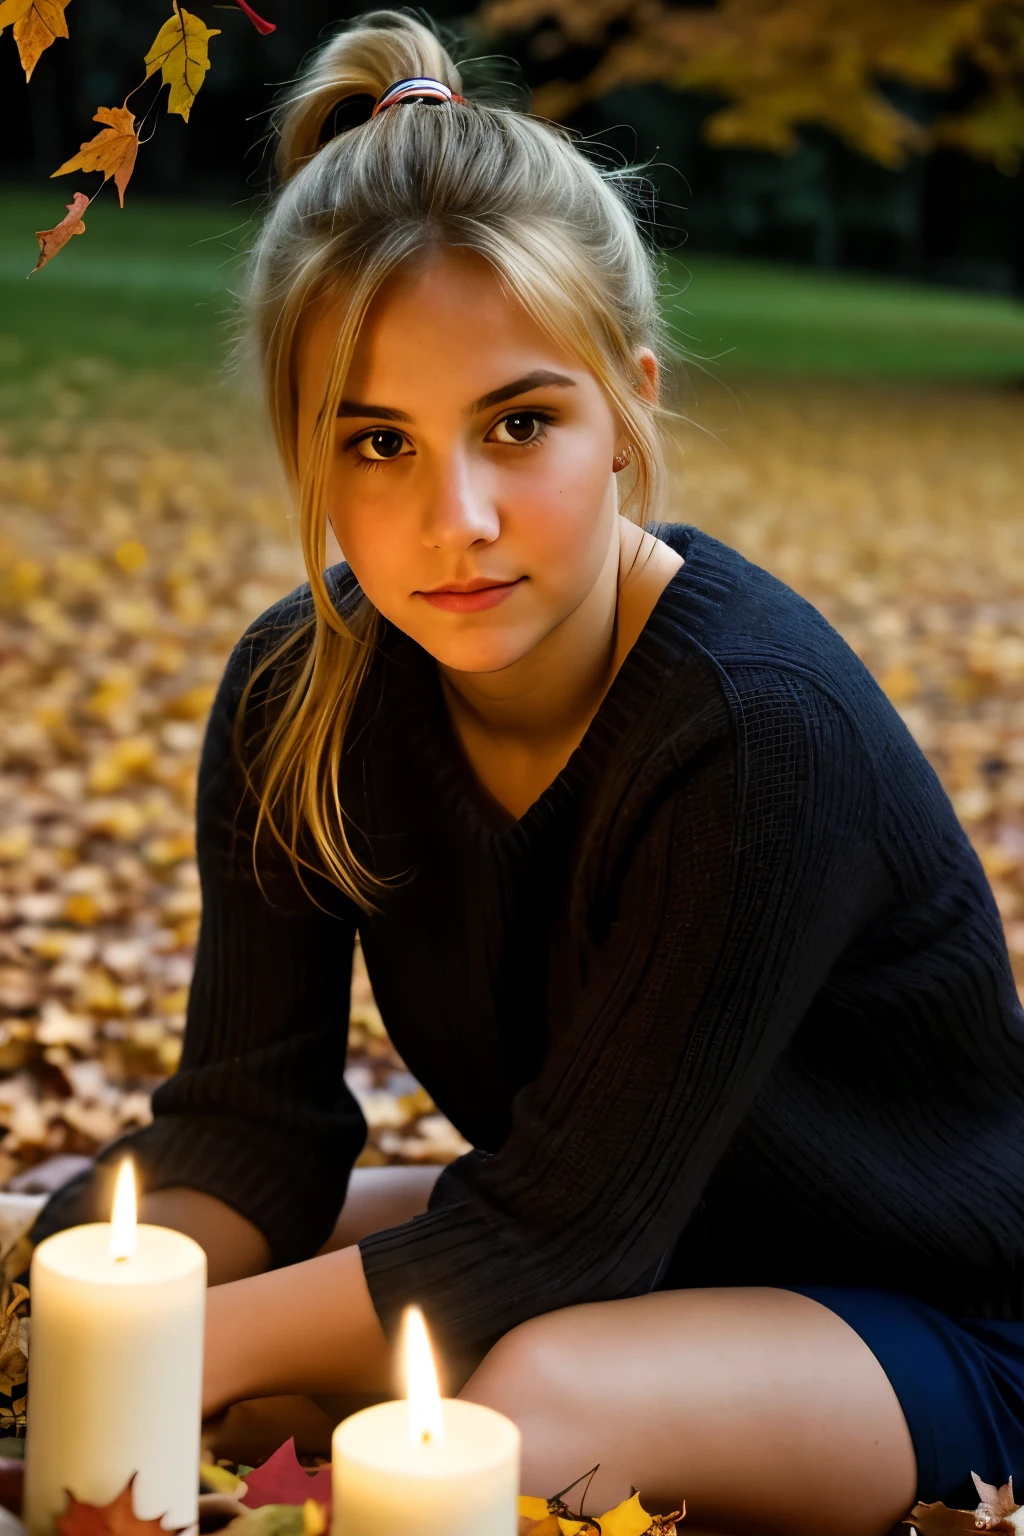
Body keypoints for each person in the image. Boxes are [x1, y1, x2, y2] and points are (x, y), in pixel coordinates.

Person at [31, 11, 1024, 1535]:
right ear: (307, 452)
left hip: (929, 1308)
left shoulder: (754, 726)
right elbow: (253, 1132)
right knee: (92, 1267)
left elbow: (554, 1246)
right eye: (378, 445)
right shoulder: (302, 692)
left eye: (519, 424)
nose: (461, 519)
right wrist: (107, 1302)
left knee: (521, 1410)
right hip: (641, 1232)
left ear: (623, 411)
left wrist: (167, 1353)